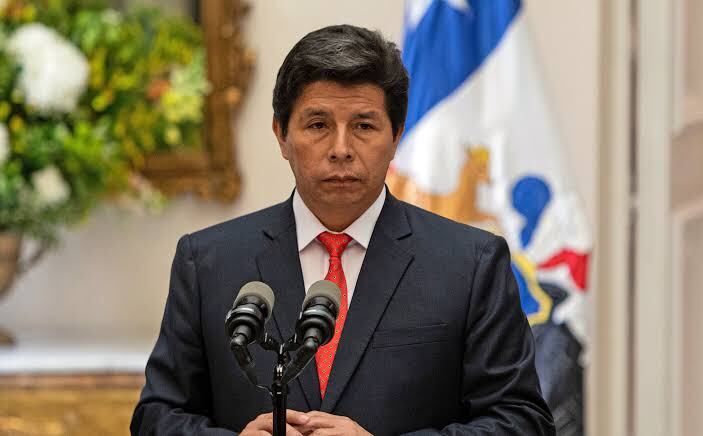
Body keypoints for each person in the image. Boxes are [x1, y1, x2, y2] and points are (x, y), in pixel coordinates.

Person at [131, 24, 554, 436]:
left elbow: (522, 420)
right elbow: (157, 416)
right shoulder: (207, 262)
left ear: (396, 136)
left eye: (364, 126)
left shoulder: (471, 263)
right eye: (318, 125)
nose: (340, 149)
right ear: (281, 135)